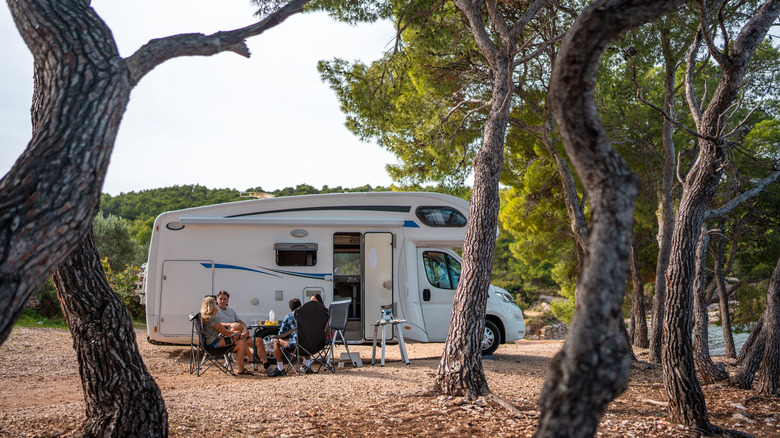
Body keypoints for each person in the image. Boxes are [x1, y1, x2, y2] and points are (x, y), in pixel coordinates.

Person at [216, 290, 270, 369]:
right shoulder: (215, 311)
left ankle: (265, 364)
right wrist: (231, 324)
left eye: (225, 299)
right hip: (226, 336)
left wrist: (245, 330)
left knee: (259, 340)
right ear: (217, 300)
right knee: (237, 327)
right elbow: (216, 324)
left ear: (227, 300)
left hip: (238, 335)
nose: (222, 301)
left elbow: (240, 322)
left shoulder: (231, 310)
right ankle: (251, 357)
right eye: (220, 299)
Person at [200, 296, 253, 375]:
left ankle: (246, 362)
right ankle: (248, 361)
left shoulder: (204, 317)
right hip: (214, 345)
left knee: (241, 342)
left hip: (209, 343)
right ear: (212, 305)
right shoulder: (212, 318)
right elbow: (226, 333)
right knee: (241, 341)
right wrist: (238, 335)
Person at [268, 298, 302, 377]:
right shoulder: (308, 316)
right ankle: (307, 366)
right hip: (309, 346)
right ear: (300, 306)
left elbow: (281, 333)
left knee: (277, 340)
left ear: (291, 309)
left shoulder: (289, 316)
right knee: (305, 338)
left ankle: (280, 369)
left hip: (295, 346)